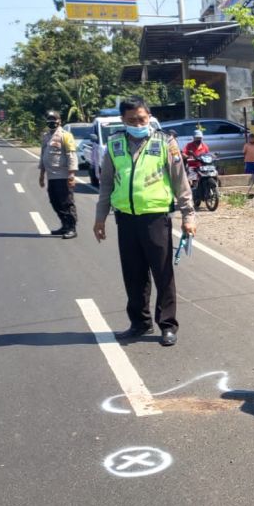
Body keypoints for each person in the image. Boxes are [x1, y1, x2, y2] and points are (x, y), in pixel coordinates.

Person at [92, 98, 197, 347]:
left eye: (142, 118)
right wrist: (100, 217)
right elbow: (106, 183)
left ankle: (168, 325)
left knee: (162, 274)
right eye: (132, 120)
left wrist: (188, 216)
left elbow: (180, 182)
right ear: (123, 120)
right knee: (133, 274)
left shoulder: (165, 142)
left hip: (155, 217)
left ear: (149, 116)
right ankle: (139, 323)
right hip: (126, 218)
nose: (138, 123)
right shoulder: (114, 143)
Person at [38, 111, 78, 239]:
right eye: (49, 119)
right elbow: (43, 155)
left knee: (66, 202)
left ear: (59, 121)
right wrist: (41, 174)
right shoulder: (45, 136)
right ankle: (64, 225)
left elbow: (71, 155)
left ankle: (72, 228)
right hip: (51, 176)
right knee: (54, 201)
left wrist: (71, 175)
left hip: (63, 176)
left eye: (54, 119)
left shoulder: (66, 136)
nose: (51, 122)